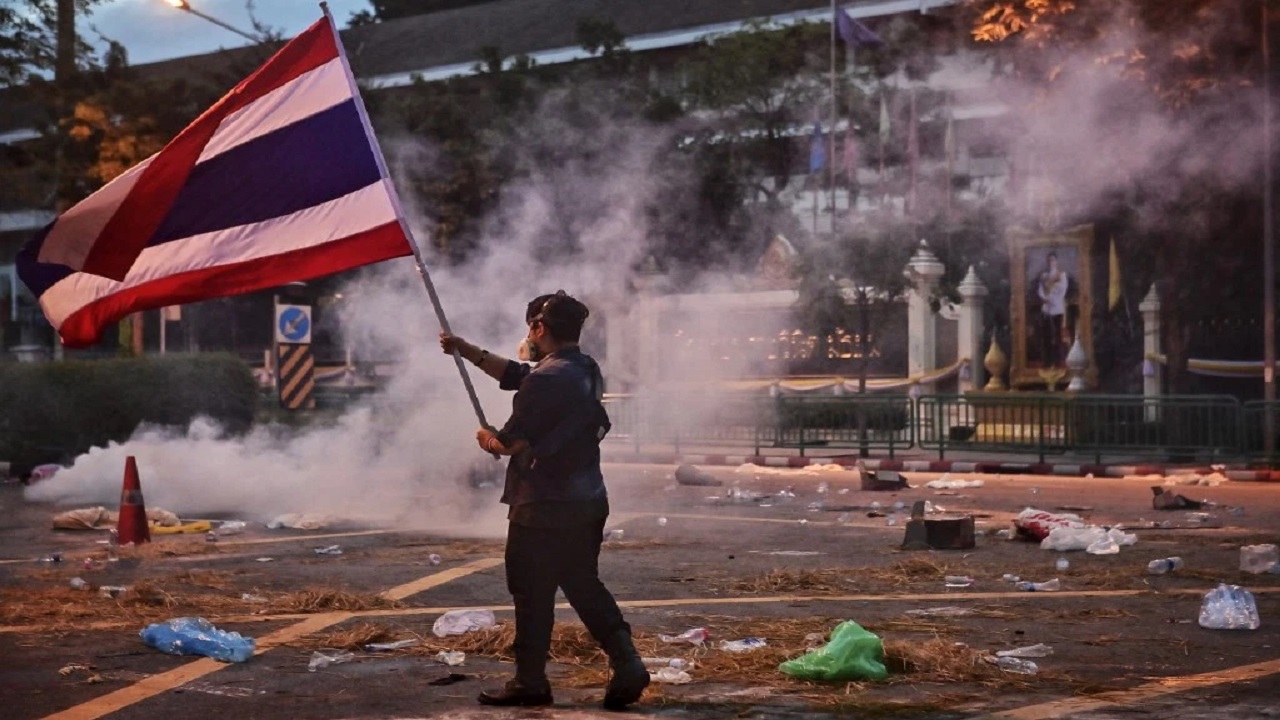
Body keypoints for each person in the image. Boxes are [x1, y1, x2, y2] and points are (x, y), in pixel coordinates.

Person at [439, 290, 649, 710]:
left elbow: (508, 443)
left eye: (529, 327)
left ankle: (530, 681)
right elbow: (519, 373)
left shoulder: (546, 380)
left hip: (543, 505)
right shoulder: (583, 368)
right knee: (582, 584)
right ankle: (627, 664)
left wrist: (486, 438)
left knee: (531, 593)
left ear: (539, 327)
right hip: (586, 500)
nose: (527, 336)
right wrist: (466, 351)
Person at [1036, 252, 1070, 367]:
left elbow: (1062, 290)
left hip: (1057, 309)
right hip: (1046, 309)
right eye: (1049, 260)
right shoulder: (1044, 275)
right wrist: (1045, 298)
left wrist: (1051, 296)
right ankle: (1047, 361)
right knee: (1046, 336)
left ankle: (1057, 361)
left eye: (1053, 260)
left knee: (1057, 336)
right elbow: (1040, 290)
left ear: (1057, 261)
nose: (1051, 262)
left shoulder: (1061, 275)